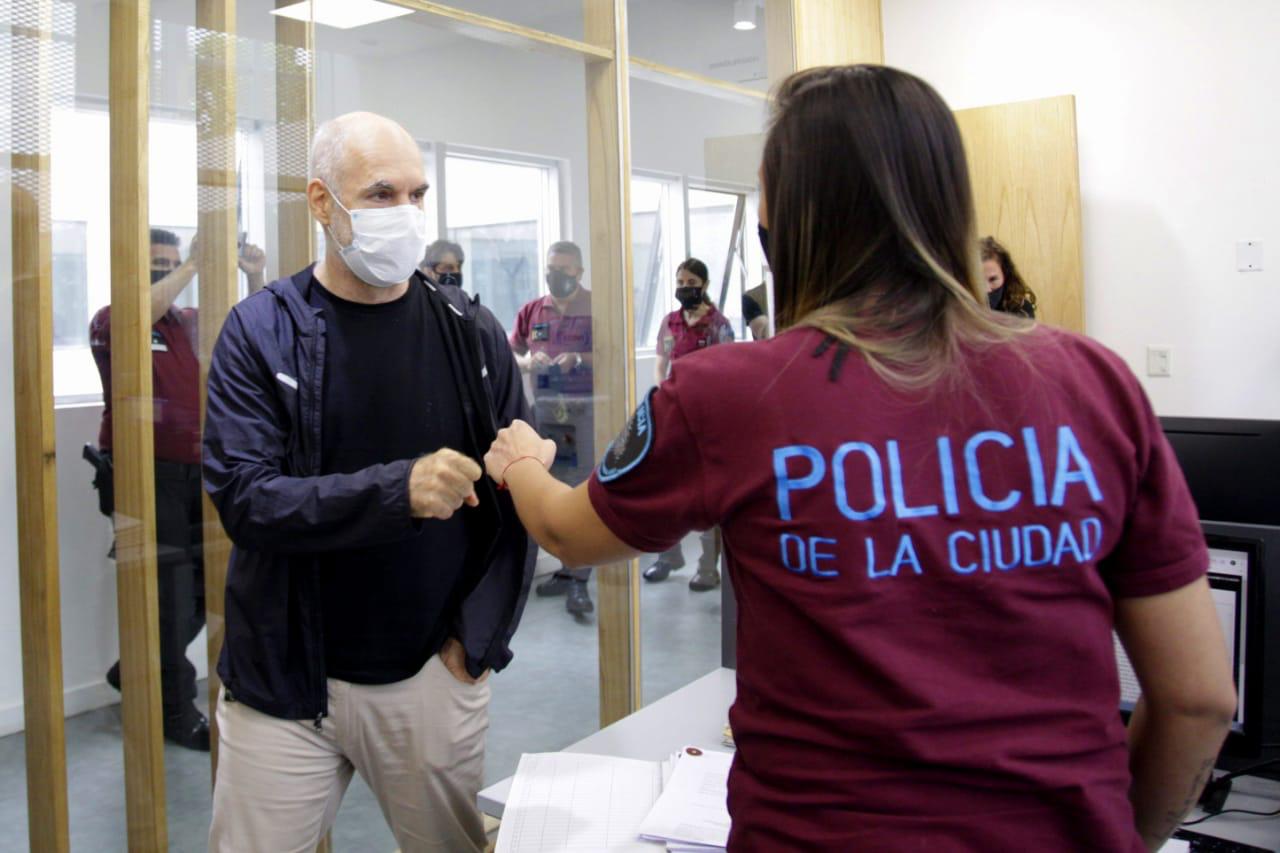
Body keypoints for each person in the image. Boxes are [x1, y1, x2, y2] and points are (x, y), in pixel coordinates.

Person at [482, 65, 1236, 851]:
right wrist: (1120, 835)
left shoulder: (727, 393)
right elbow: (1197, 699)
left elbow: (571, 533)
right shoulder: (1094, 382)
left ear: (793, 216)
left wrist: (521, 460)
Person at [203, 111, 535, 853]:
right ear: (323, 203)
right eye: (382, 194)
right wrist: (398, 490)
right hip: (282, 684)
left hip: (428, 675)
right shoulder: (261, 331)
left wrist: (474, 646)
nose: (407, 214)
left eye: (418, 194)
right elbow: (246, 499)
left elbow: (518, 494)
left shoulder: (470, 333)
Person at [89, 227, 266, 752]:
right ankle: (172, 708)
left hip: (202, 472)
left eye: (169, 262)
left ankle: (136, 666)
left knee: (204, 590)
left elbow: (254, 332)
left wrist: (252, 274)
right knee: (167, 595)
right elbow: (132, 319)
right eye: (155, 265)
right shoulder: (112, 318)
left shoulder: (190, 322)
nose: (164, 271)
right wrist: (190, 267)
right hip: (146, 476)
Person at [509, 241, 596, 616]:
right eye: (551, 268)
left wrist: (578, 357)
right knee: (550, 483)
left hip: (583, 411)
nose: (555, 275)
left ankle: (580, 581)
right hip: (543, 412)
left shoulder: (596, 305)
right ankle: (564, 569)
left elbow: (614, 352)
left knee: (579, 489)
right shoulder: (532, 310)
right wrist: (529, 360)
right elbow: (511, 350)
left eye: (563, 269)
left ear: (578, 272)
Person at [646, 258, 733, 590]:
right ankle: (669, 556)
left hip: (707, 416)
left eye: (691, 280)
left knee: (704, 493)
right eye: (680, 279)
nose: (684, 286)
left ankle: (708, 568)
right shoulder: (670, 322)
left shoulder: (718, 324)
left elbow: (727, 372)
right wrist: (659, 394)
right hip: (672, 411)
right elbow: (660, 363)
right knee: (668, 488)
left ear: (704, 284)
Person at [981, 235, 1037, 318]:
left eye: (993, 279)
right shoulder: (959, 311)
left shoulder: (1021, 309)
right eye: (978, 280)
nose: (986, 289)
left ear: (1005, 275)